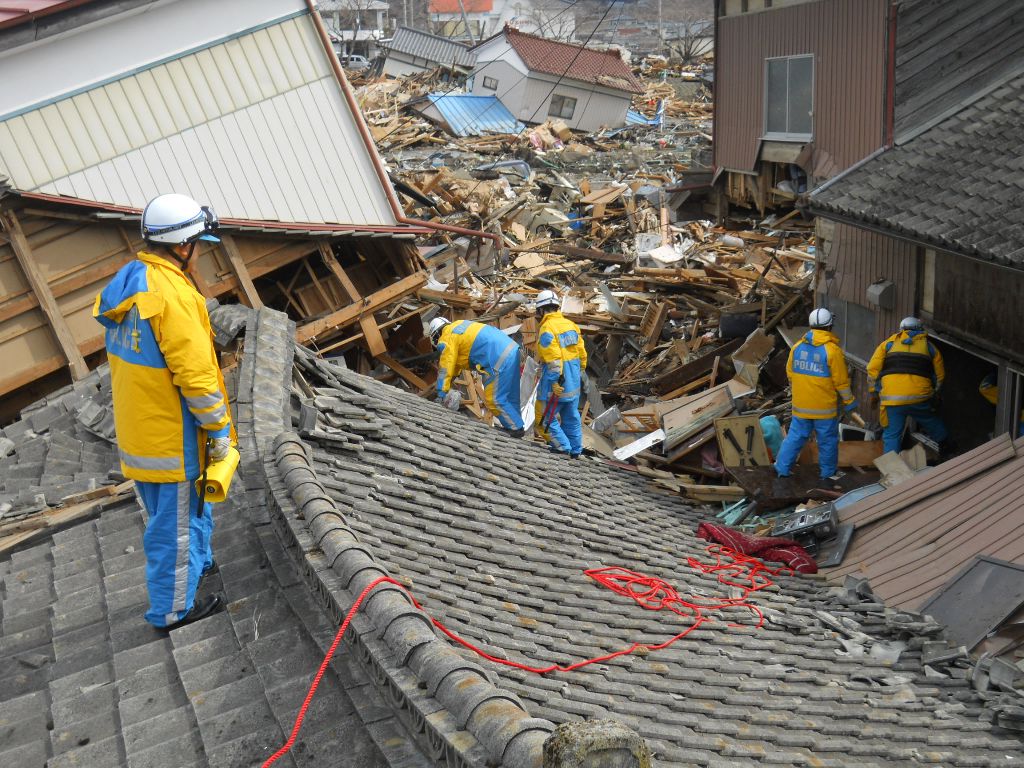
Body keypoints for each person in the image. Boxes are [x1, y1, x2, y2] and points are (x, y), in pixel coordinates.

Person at [94, 193, 233, 631]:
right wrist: (219, 429)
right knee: (172, 532)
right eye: (198, 244)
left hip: (143, 434)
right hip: (172, 440)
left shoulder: (131, 279)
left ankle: (201, 566)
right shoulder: (172, 295)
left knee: (186, 513)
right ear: (183, 245)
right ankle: (173, 610)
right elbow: (195, 376)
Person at [774, 308, 857, 481]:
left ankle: (781, 468)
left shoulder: (797, 347)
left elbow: (790, 374)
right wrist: (849, 401)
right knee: (827, 441)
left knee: (795, 438)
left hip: (801, 406)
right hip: (824, 409)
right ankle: (827, 474)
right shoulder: (832, 351)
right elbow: (841, 382)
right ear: (829, 327)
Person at [430, 317, 525, 436]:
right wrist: (449, 382)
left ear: (436, 335)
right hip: (511, 350)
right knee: (510, 396)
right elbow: (455, 366)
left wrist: (440, 393)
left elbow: (446, 367)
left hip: (497, 358)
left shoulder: (447, 336)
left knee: (494, 399)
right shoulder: (460, 325)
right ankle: (517, 425)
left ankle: (515, 429)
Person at [867, 317, 947, 454]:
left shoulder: (888, 344)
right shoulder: (930, 347)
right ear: (921, 329)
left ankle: (891, 471)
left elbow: (872, 370)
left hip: (892, 400)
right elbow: (940, 375)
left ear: (901, 330)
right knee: (931, 421)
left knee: (892, 434)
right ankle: (948, 447)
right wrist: (935, 392)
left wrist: (874, 393)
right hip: (920, 398)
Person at [534, 290, 588, 457]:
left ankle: (562, 447)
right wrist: (577, 374)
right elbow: (582, 355)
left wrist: (554, 381)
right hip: (573, 382)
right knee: (571, 418)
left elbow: (554, 360)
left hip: (556, 384)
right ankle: (575, 450)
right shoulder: (571, 325)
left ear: (541, 310)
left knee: (543, 419)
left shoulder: (547, 328)